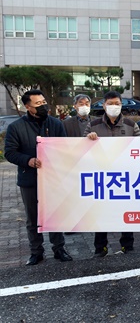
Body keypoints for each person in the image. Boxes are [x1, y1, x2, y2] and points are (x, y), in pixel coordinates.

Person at [4, 89, 73, 265]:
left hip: (53, 178)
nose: (43, 106)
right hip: (29, 179)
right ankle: (36, 252)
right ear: (27, 107)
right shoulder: (16, 127)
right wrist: (28, 160)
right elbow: (10, 153)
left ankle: (59, 249)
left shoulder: (56, 124)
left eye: (43, 102)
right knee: (33, 217)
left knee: (55, 214)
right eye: (38, 104)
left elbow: (64, 148)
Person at [85, 91, 140, 257]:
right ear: (103, 105)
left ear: (121, 104)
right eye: (110, 103)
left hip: (126, 177)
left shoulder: (131, 125)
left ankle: (127, 246)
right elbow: (83, 149)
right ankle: (100, 247)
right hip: (102, 178)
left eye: (117, 103)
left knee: (126, 210)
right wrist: (88, 138)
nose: (113, 106)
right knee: (101, 213)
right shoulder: (93, 125)